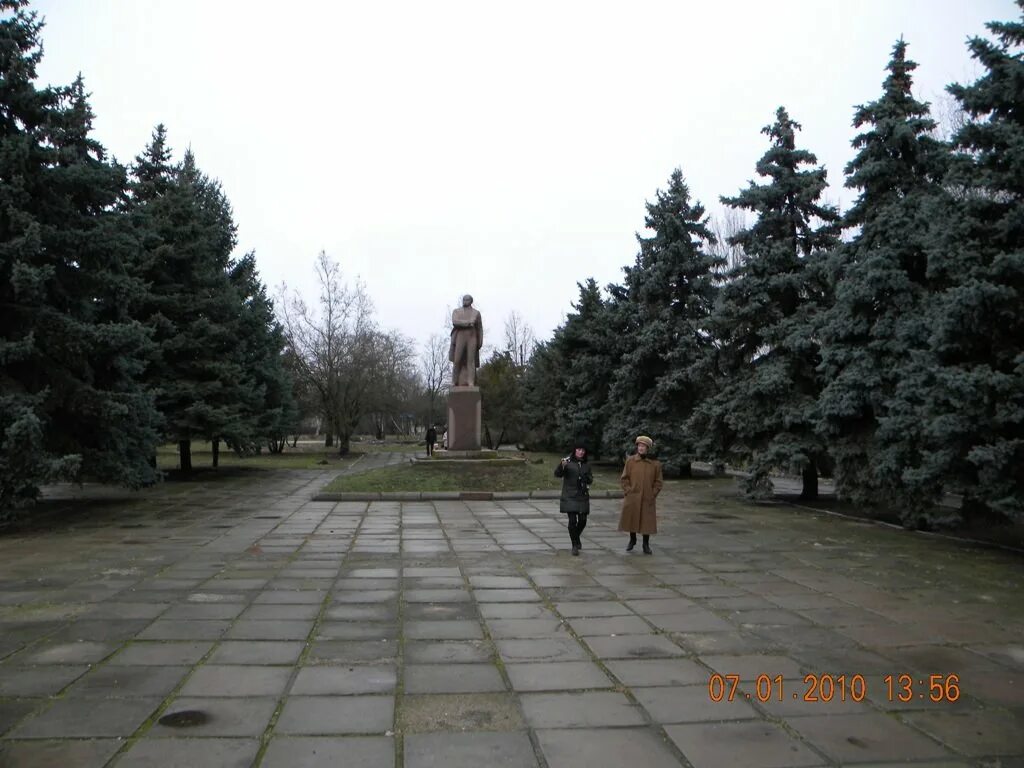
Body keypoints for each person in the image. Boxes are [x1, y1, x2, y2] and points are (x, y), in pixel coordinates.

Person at [618, 435, 663, 554]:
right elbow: (624, 478)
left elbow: (658, 482)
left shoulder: (655, 464)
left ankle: (645, 544)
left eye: (643, 446)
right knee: (631, 518)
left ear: (648, 448)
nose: (641, 448)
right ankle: (632, 540)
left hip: (647, 497)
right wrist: (628, 490)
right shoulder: (631, 461)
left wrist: (652, 494)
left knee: (646, 522)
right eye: (639, 445)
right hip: (633, 496)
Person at [555, 444, 593, 556]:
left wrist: (587, 479)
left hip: (582, 495)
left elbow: (590, 479)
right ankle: (574, 545)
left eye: (583, 450)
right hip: (569, 495)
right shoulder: (567, 462)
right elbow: (557, 474)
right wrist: (561, 466)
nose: (581, 452)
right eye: (579, 449)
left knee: (583, 520)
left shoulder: (586, 465)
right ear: (575, 450)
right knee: (572, 521)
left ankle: (576, 537)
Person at [449, 294, 483, 387]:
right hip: (460, 336)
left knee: (471, 360)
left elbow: (479, 328)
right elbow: (455, 322)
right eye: (464, 299)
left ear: (471, 301)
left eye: (467, 300)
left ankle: (470, 382)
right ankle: (454, 381)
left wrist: (480, 341)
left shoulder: (476, 313)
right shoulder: (457, 311)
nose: (465, 301)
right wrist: (468, 323)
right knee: (457, 360)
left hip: (472, 337)